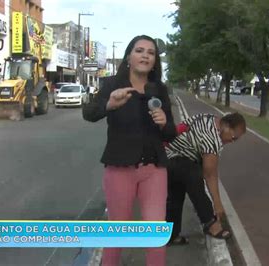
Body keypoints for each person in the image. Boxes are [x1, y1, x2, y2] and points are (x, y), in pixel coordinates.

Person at [82, 35, 176, 266]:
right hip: (119, 168)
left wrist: (164, 122)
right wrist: (108, 105)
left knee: (155, 236)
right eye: (139, 50)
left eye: (151, 53)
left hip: (154, 169)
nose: (145, 55)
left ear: (155, 61)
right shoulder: (112, 84)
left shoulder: (160, 90)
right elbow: (90, 113)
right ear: (128, 58)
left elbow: (171, 133)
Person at [165, 112, 246, 244]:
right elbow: (210, 174)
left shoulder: (207, 117)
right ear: (225, 126)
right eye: (233, 137)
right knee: (194, 178)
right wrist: (217, 204)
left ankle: (170, 235)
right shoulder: (212, 139)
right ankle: (210, 223)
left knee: (176, 195)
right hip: (175, 158)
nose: (232, 141)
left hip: (166, 155)